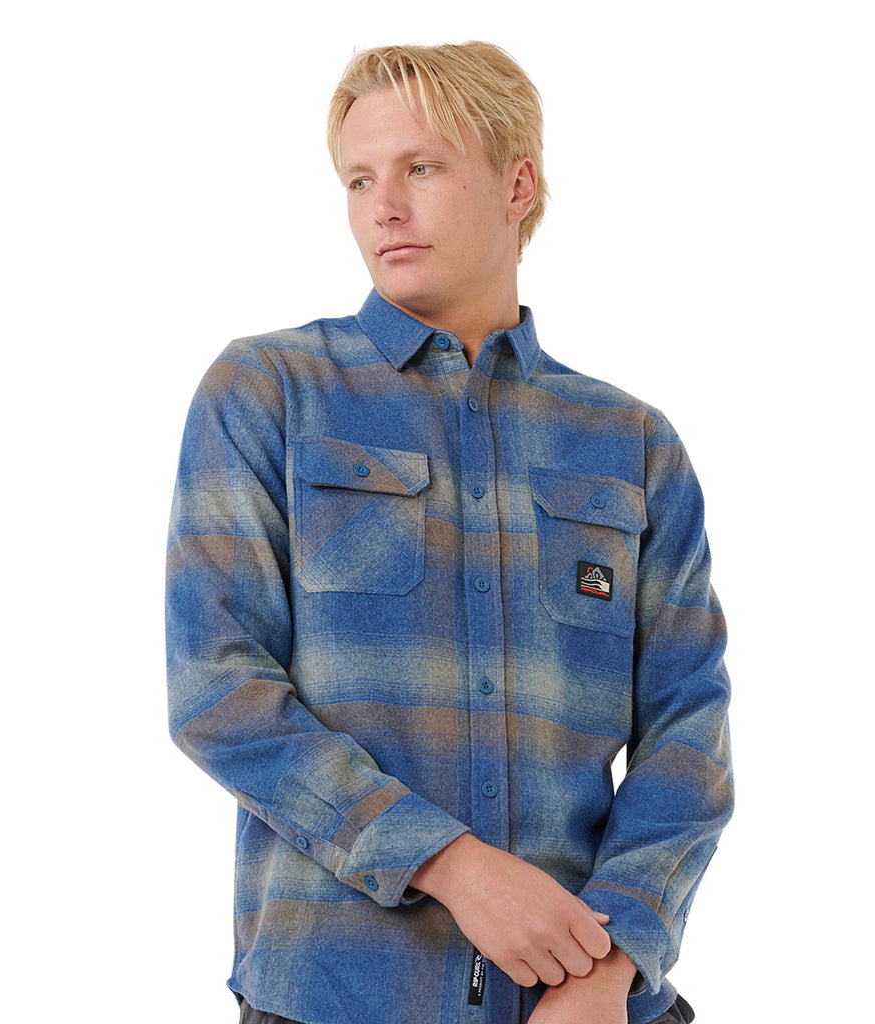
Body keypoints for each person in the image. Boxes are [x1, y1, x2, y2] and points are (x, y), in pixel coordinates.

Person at [166, 41, 733, 1024]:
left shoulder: (631, 442)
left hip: (587, 1003)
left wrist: (611, 963)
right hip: (336, 997)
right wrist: (453, 865)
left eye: (421, 167)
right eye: (359, 179)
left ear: (518, 185)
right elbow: (218, 689)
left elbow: (691, 728)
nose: (384, 206)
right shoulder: (269, 392)